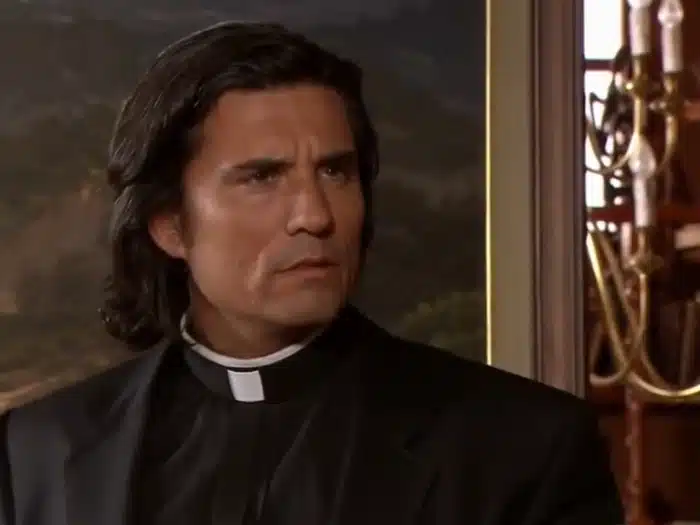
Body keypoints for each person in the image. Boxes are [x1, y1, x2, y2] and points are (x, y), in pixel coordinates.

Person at [0, 21, 623, 525]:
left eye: (335, 172)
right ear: (169, 226)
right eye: (262, 177)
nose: (315, 215)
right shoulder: (37, 451)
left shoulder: (521, 448)